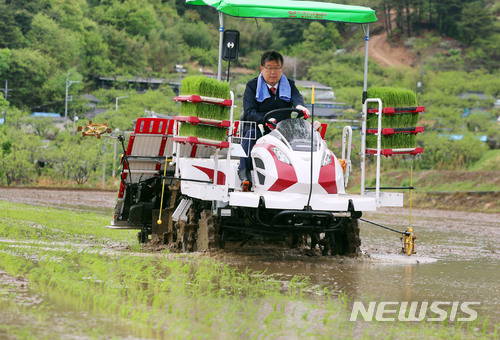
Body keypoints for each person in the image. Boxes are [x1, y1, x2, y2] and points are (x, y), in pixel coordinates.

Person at [238, 51, 310, 190]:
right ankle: (244, 174)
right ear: (262, 68)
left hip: (283, 130)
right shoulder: (252, 86)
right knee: (249, 136)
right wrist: (265, 120)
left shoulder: (289, 84)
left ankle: (302, 178)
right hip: (260, 128)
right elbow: (249, 112)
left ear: (281, 68)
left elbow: (297, 98)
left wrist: (300, 106)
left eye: (277, 68)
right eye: (269, 68)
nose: (273, 72)